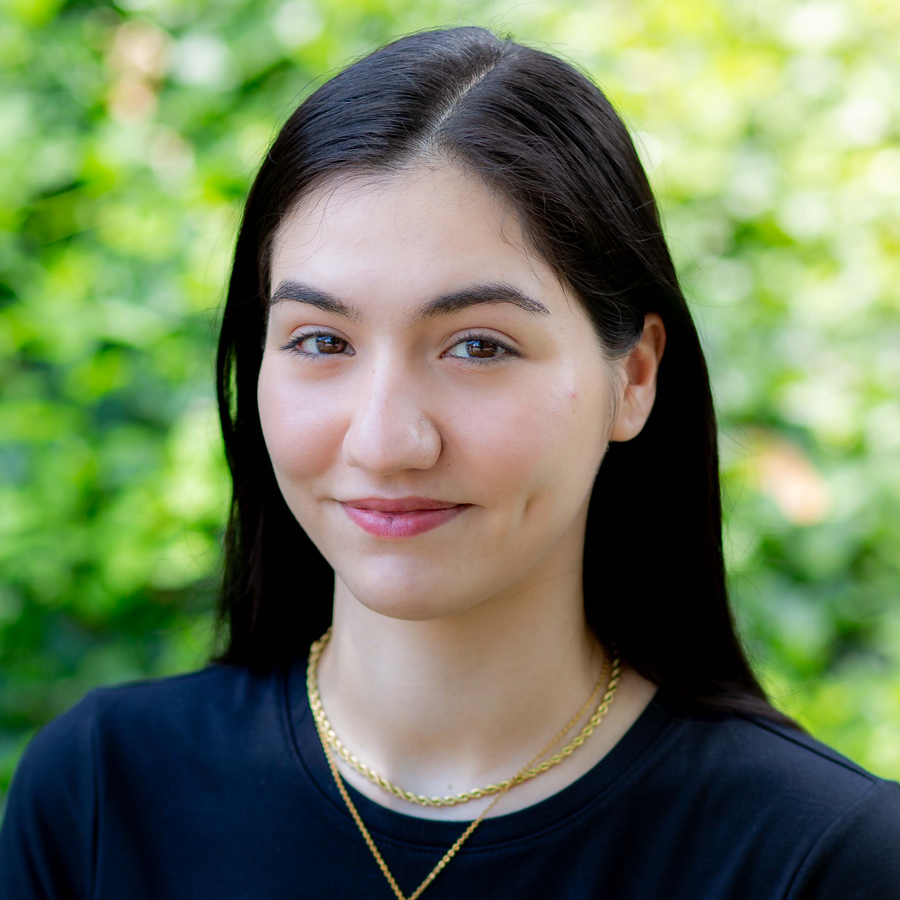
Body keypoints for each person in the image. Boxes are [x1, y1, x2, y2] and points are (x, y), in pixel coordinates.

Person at [1, 24, 898, 900]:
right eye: (321, 339)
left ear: (633, 377)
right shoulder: (100, 797)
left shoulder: (821, 858)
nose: (386, 442)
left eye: (478, 347)